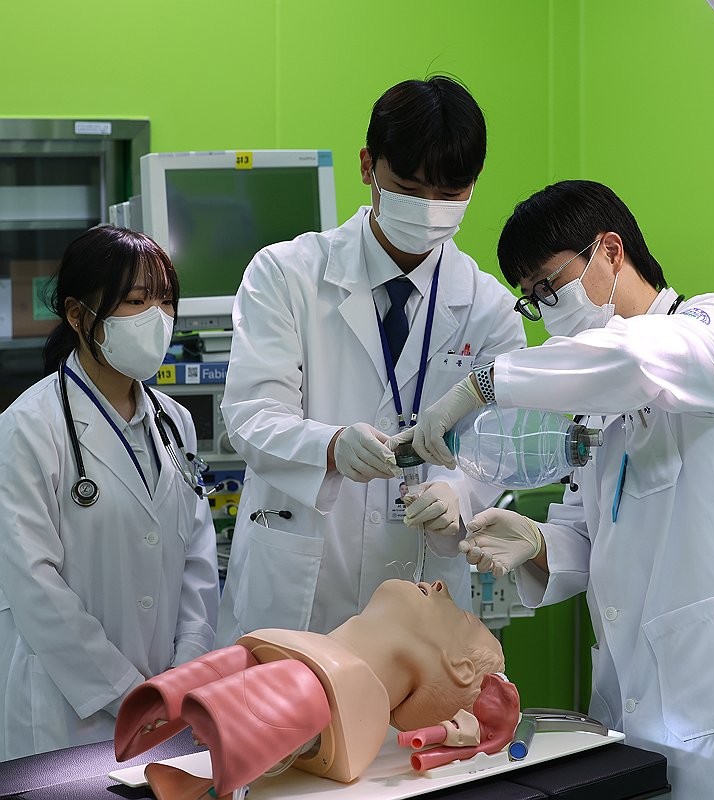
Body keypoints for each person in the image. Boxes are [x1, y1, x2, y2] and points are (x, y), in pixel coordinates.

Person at [396, 180, 714, 799]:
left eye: (549, 286)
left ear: (611, 252)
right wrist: (537, 540)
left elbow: (641, 360)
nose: (546, 309)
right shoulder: (597, 404)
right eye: (532, 299)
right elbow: (591, 537)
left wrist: (482, 384)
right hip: (640, 698)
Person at [216, 75, 526, 645]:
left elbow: (498, 438)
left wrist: (459, 490)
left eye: (451, 194)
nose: (429, 210)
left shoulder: (490, 310)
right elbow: (251, 416)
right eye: (409, 188)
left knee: (418, 701)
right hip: (303, 587)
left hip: (421, 588)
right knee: (294, 699)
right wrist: (331, 446)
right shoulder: (285, 275)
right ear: (368, 166)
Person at [0, 225, 219, 760]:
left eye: (165, 301)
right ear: (78, 316)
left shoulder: (175, 423)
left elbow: (198, 559)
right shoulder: (28, 427)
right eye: (135, 301)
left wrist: (184, 671)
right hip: (69, 706)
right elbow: (32, 583)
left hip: (170, 698)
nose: (157, 318)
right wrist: (125, 691)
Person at [116, 579, 515, 795]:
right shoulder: (303, 664)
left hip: (324, 680)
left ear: (460, 668)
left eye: (462, 617)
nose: (442, 585)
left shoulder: (330, 686)